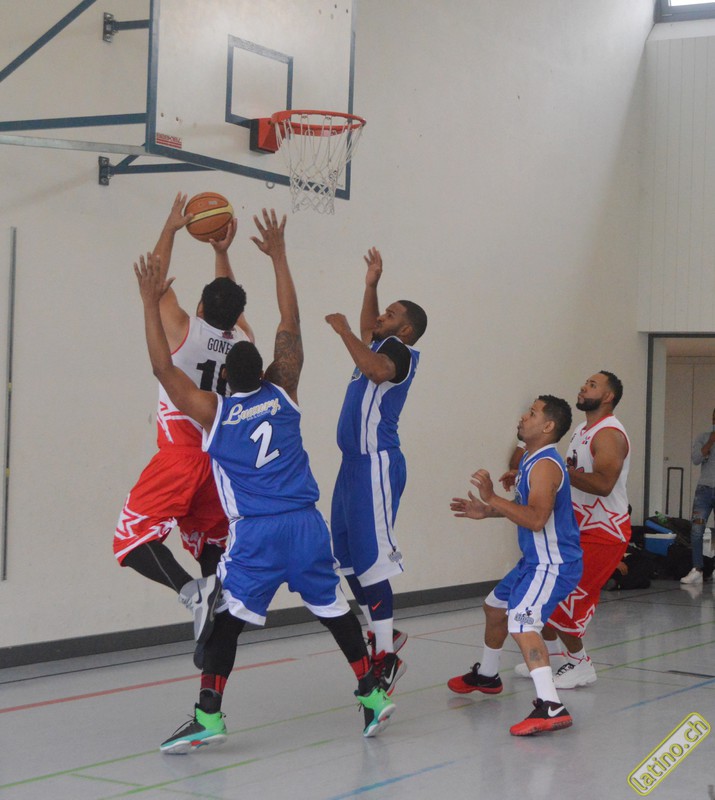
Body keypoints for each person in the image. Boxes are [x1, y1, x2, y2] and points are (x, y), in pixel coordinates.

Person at [135, 209, 395, 752]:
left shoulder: (216, 412)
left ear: (227, 379)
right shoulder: (284, 390)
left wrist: (146, 301)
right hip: (306, 526)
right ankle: (372, 694)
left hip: (256, 534)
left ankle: (209, 716)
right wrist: (279, 256)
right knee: (334, 612)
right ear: (268, 370)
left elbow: (163, 369)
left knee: (225, 621)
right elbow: (289, 321)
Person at [113, 192, 253, 644]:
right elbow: (229, 303)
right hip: (219, 461)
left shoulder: (182, 329)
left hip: (180, 455)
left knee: (132, 540)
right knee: (211, 541)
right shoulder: (243, 343)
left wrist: (172, 227)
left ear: (201, 307)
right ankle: (216, 606)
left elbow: (156, 279)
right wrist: (222, 253)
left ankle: (192, 593)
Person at [448, 396, 582, 736]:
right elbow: (526, 508)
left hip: (552, 564)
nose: (523, 417)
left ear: (548, 426)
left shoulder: (545, 466)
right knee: (495, 607)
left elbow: (536, 519)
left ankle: (551, 706)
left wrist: (492, 497)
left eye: (532, 413)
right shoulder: (531, 460)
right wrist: (488, 510)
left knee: (522, 623)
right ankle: (488, 676)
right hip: (534, 561)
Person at [325, 247, 427, 694]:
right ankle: (382, 631)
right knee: (344, 557)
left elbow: (377, 369)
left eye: (390, 314)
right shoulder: (381, 342)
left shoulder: (398, 352)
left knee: (372, 561)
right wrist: (371, 285)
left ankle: (386, 656)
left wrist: (344, 331)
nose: (380, 317)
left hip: (376, 464)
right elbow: (371, 332)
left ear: (405, 330)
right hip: (351, 467)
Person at [511, 371, 631, 688]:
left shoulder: (609, 434)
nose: (583, 387)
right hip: (580, 526)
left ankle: (581, 664)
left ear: (608, 396)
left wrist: (559, 472)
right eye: (585, 383)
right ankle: (552, 656)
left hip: (604, 530)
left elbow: (604, 484)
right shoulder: (582, 430)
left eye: (592, 385)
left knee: (568, 600)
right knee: (549, 595)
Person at [680, 407, 715, 585]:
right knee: (696, 530)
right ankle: (697, 569)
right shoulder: (704, 437)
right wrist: (710, 442)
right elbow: (695, 459)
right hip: (704, 491)